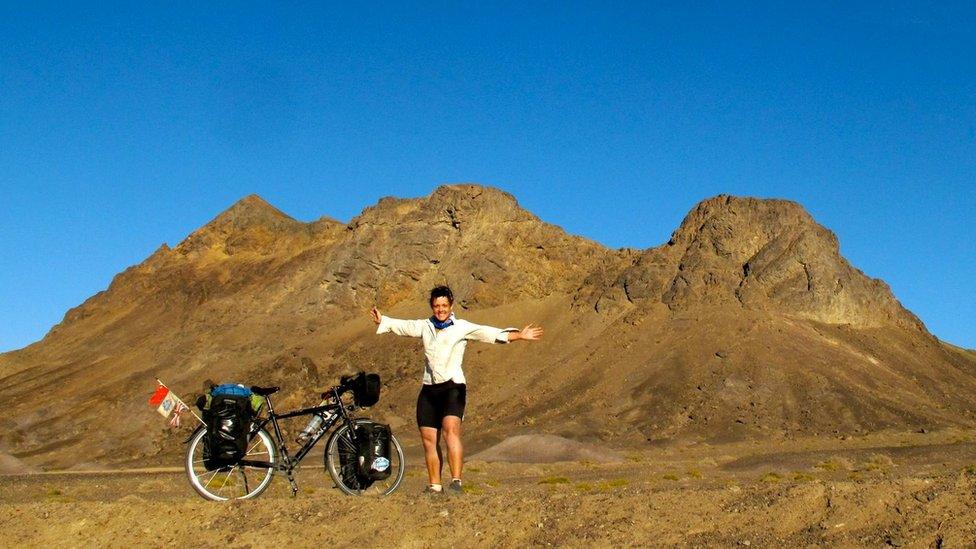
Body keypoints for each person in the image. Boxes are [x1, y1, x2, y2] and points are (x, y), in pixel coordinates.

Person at [371, 285, 543, 495]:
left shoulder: (461, 327)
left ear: (451, 305)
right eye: (436, 306)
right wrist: (384, 321)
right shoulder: (425, 326)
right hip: (429, 389)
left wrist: (519, 335)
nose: (440, 310)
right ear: (432, 306)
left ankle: (456, 482)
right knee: (428, 439)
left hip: (453, 387)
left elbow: (489, 333)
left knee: (450, 431)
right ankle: (435, 485)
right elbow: (404, 326)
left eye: (444, 305)